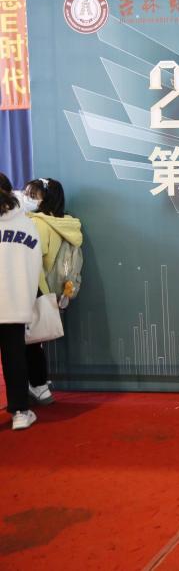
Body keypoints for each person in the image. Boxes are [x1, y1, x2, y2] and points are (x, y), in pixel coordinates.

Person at [22, 178, 83, 406]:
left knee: (26, 343)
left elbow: (32, 261)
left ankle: (37, 386)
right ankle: (40, 385)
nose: (26, 199)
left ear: (45, 199)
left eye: (32, 195)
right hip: (53, 292)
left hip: (35, 289)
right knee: (33, 342)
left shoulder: (37, 224)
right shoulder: (64, 223)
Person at [0, 172, 43, 431]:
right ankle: (19, 412)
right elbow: (34, 264)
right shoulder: (26, 223)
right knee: (14, 356)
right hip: (14, 302)